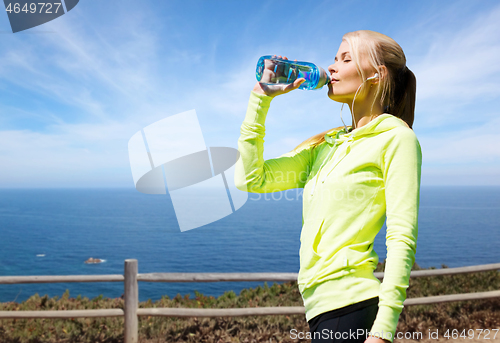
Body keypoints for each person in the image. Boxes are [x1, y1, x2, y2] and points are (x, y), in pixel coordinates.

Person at [235, 30, 422, 343]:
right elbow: (252, 179)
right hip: (321, 310)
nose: (332, 68)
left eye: (345, 59)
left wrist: (382, 331)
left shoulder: (396, 139)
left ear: (377, 75)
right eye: (334, 59)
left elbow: (402, 237)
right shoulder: (325, 145)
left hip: (351, 307)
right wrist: (260, 100)